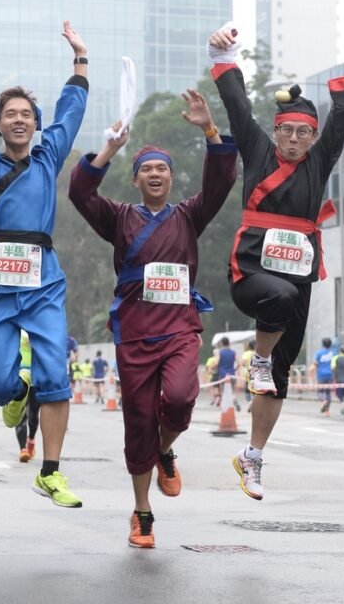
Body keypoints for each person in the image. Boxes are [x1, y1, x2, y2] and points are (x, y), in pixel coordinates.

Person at [208, 24, 344, 500]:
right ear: (276, 131)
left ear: (313, 137)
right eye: (287, 131)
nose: (295, 139)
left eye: (304, 133)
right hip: (251, 272)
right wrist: (223, 54)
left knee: (277, 380)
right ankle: (258, 357)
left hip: (298, 277)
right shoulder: (259, 149)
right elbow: (237, 106)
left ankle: (252, 457)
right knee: (274, 303)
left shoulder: (319, 162)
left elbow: (341, 119)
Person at [68, 88, 237, 549]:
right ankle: (143, 513)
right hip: (134, 333)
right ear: (137, 179)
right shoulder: (118, 218)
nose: (156, 174)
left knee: (181, 399)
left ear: (172, 177)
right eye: (147, 170)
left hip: (181, 328)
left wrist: (208, 127)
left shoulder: (189, 215)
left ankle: (166, 450)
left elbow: (222, 181)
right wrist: (110, 148)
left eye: (162, 168)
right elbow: (80, 191)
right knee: (138, 420)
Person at [0, 21, 88, 508]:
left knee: (55, 376)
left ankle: (50, 471)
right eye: (10, 115)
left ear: (35, 122)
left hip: (44, 278)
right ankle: (16, 393)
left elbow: (70, 115)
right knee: (4, 384)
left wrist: (80, 62)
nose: (19, 120)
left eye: (27, 114)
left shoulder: (48, 158)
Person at [17, 330, 42, 462]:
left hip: (35, 380)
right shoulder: (16, 330)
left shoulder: (37, 328)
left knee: (33, 414)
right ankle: (23, 449)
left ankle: (31, 440)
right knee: (20, 414)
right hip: (19, 379)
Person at [311, 338, 335, 415]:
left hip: (321, 375)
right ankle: (327, 411)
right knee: (328, 392)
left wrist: (311, 373)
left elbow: (315, 364)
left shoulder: (319, 353)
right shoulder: (333, 353)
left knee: (319, 392)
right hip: (330, 375)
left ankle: (323, 401)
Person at [216, 337, 239, 411]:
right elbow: (239, 363)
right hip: (231, 374)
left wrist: (215, 367)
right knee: (232, 390)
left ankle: (223, 406)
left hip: (223, 375)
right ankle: (234, 399)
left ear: (222, 344)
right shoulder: (233, 352)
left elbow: (217, 362)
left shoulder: (220, 352)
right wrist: (235, 369)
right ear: (229, 343)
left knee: (223, 390)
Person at [241, 339, 256, 405]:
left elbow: (242, 363)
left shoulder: (246, 353)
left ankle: (250, 401)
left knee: (247, 389)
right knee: (255, 389)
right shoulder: (258, 353)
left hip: (248, 374)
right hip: (257, 374)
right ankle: (254, 401)